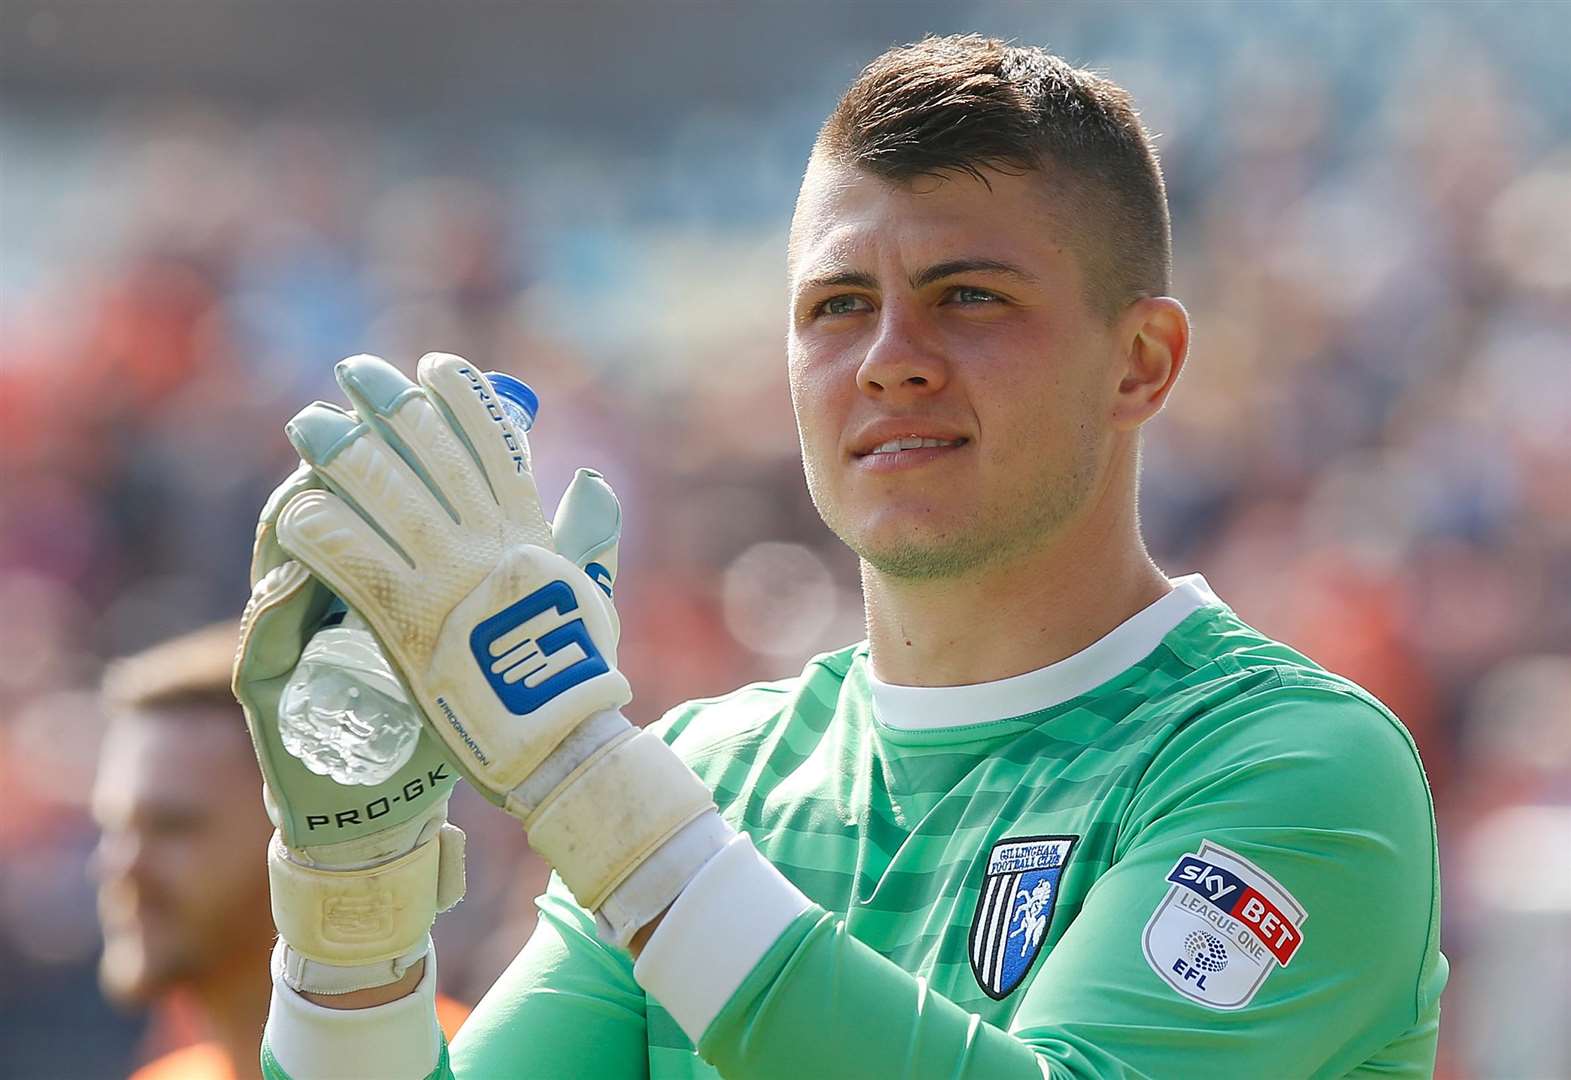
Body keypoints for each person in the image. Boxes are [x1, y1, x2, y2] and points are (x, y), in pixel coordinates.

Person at [237, 35, 1446, 1079]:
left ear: (1139, 363)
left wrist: (582, 777)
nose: (888, 357)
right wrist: (358, 915)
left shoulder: (1296, 767)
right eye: (834, 305)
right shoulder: (710, 775)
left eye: (966, 296)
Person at [93, 621, 469, 1080]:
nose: (120, 866)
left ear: (302, 832)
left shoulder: (470, 1062)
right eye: (113, 829)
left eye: (173, 827)